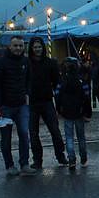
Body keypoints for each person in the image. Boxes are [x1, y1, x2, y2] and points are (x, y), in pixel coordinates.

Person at [0, 36, 36, 176]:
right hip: (5, 106)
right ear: (9, 46)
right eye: (15, 45)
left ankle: (25, 164)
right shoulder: (0, 62)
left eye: (21, 46)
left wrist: (27, 94)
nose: (18, 48)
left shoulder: (26, 61)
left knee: (24, 134)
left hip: (22, 105)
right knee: (6, 137)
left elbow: (29, 80)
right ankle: (9, 165)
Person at [27, 38, 68, 168]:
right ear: (31, 48)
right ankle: (37, 160)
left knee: (55, 130)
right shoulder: (27, 63)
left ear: (43, 48)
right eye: (35, 47)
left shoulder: (50, 63)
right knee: (33, 133)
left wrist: (60, 100)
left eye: (39, 47)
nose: (37, 49)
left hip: (47, 101)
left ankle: (60, 155)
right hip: (32, 103)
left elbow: (57, 82)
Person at [56, 58, 91, 169]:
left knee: (69, 137)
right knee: (81, 136)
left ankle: (71, 159)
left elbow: (57, 95)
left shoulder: (62, 80)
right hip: (79, 112)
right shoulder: (81, 80)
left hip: (67, 112)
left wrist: (59, 109)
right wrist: (88, 112)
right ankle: (83, 158)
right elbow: (87, 96)